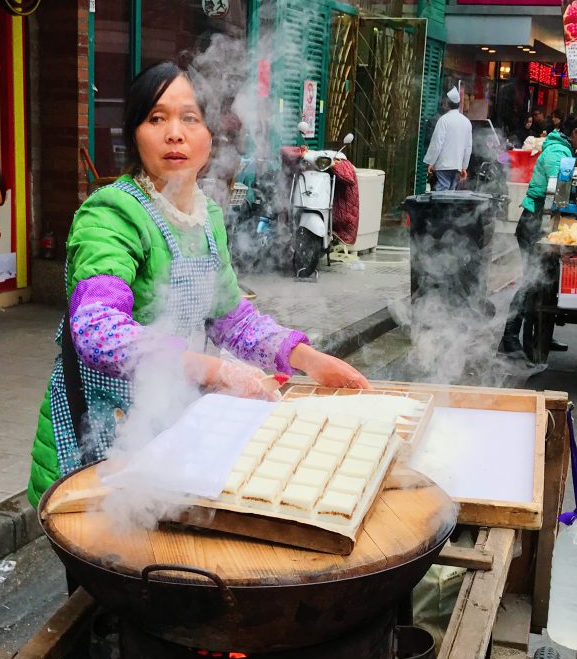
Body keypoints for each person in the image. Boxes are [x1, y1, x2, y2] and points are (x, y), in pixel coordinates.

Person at [26, 62, 368, 502]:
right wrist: (214, 370)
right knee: (107, 561)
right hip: (101, 434)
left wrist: (306, 358)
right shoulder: (110, 214)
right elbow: (97, 330)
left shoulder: (205, 217)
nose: (175, 133)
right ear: (134, 133)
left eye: (190, 118)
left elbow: (231, 319)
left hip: (167, 424)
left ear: (210, 136)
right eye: (156, 118)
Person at [501, 113, 577, 354]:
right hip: (534, 224)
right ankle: (509, 335)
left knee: (547, 282)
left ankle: (543, 332)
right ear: (576, 132)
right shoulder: (557, 153)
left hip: (547, 224)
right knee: (532, 280)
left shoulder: (566, 151)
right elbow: (559, 192)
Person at [423, 87, 473, 191]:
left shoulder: (443, 120)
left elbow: (437, 143)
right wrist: (464, 166)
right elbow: (468, 147)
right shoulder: (466, 122)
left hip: (443, 165)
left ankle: (440, 208)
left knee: (441, 191)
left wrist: (431, 162)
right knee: (451, 193)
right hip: (457, 165)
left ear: (446, 104)